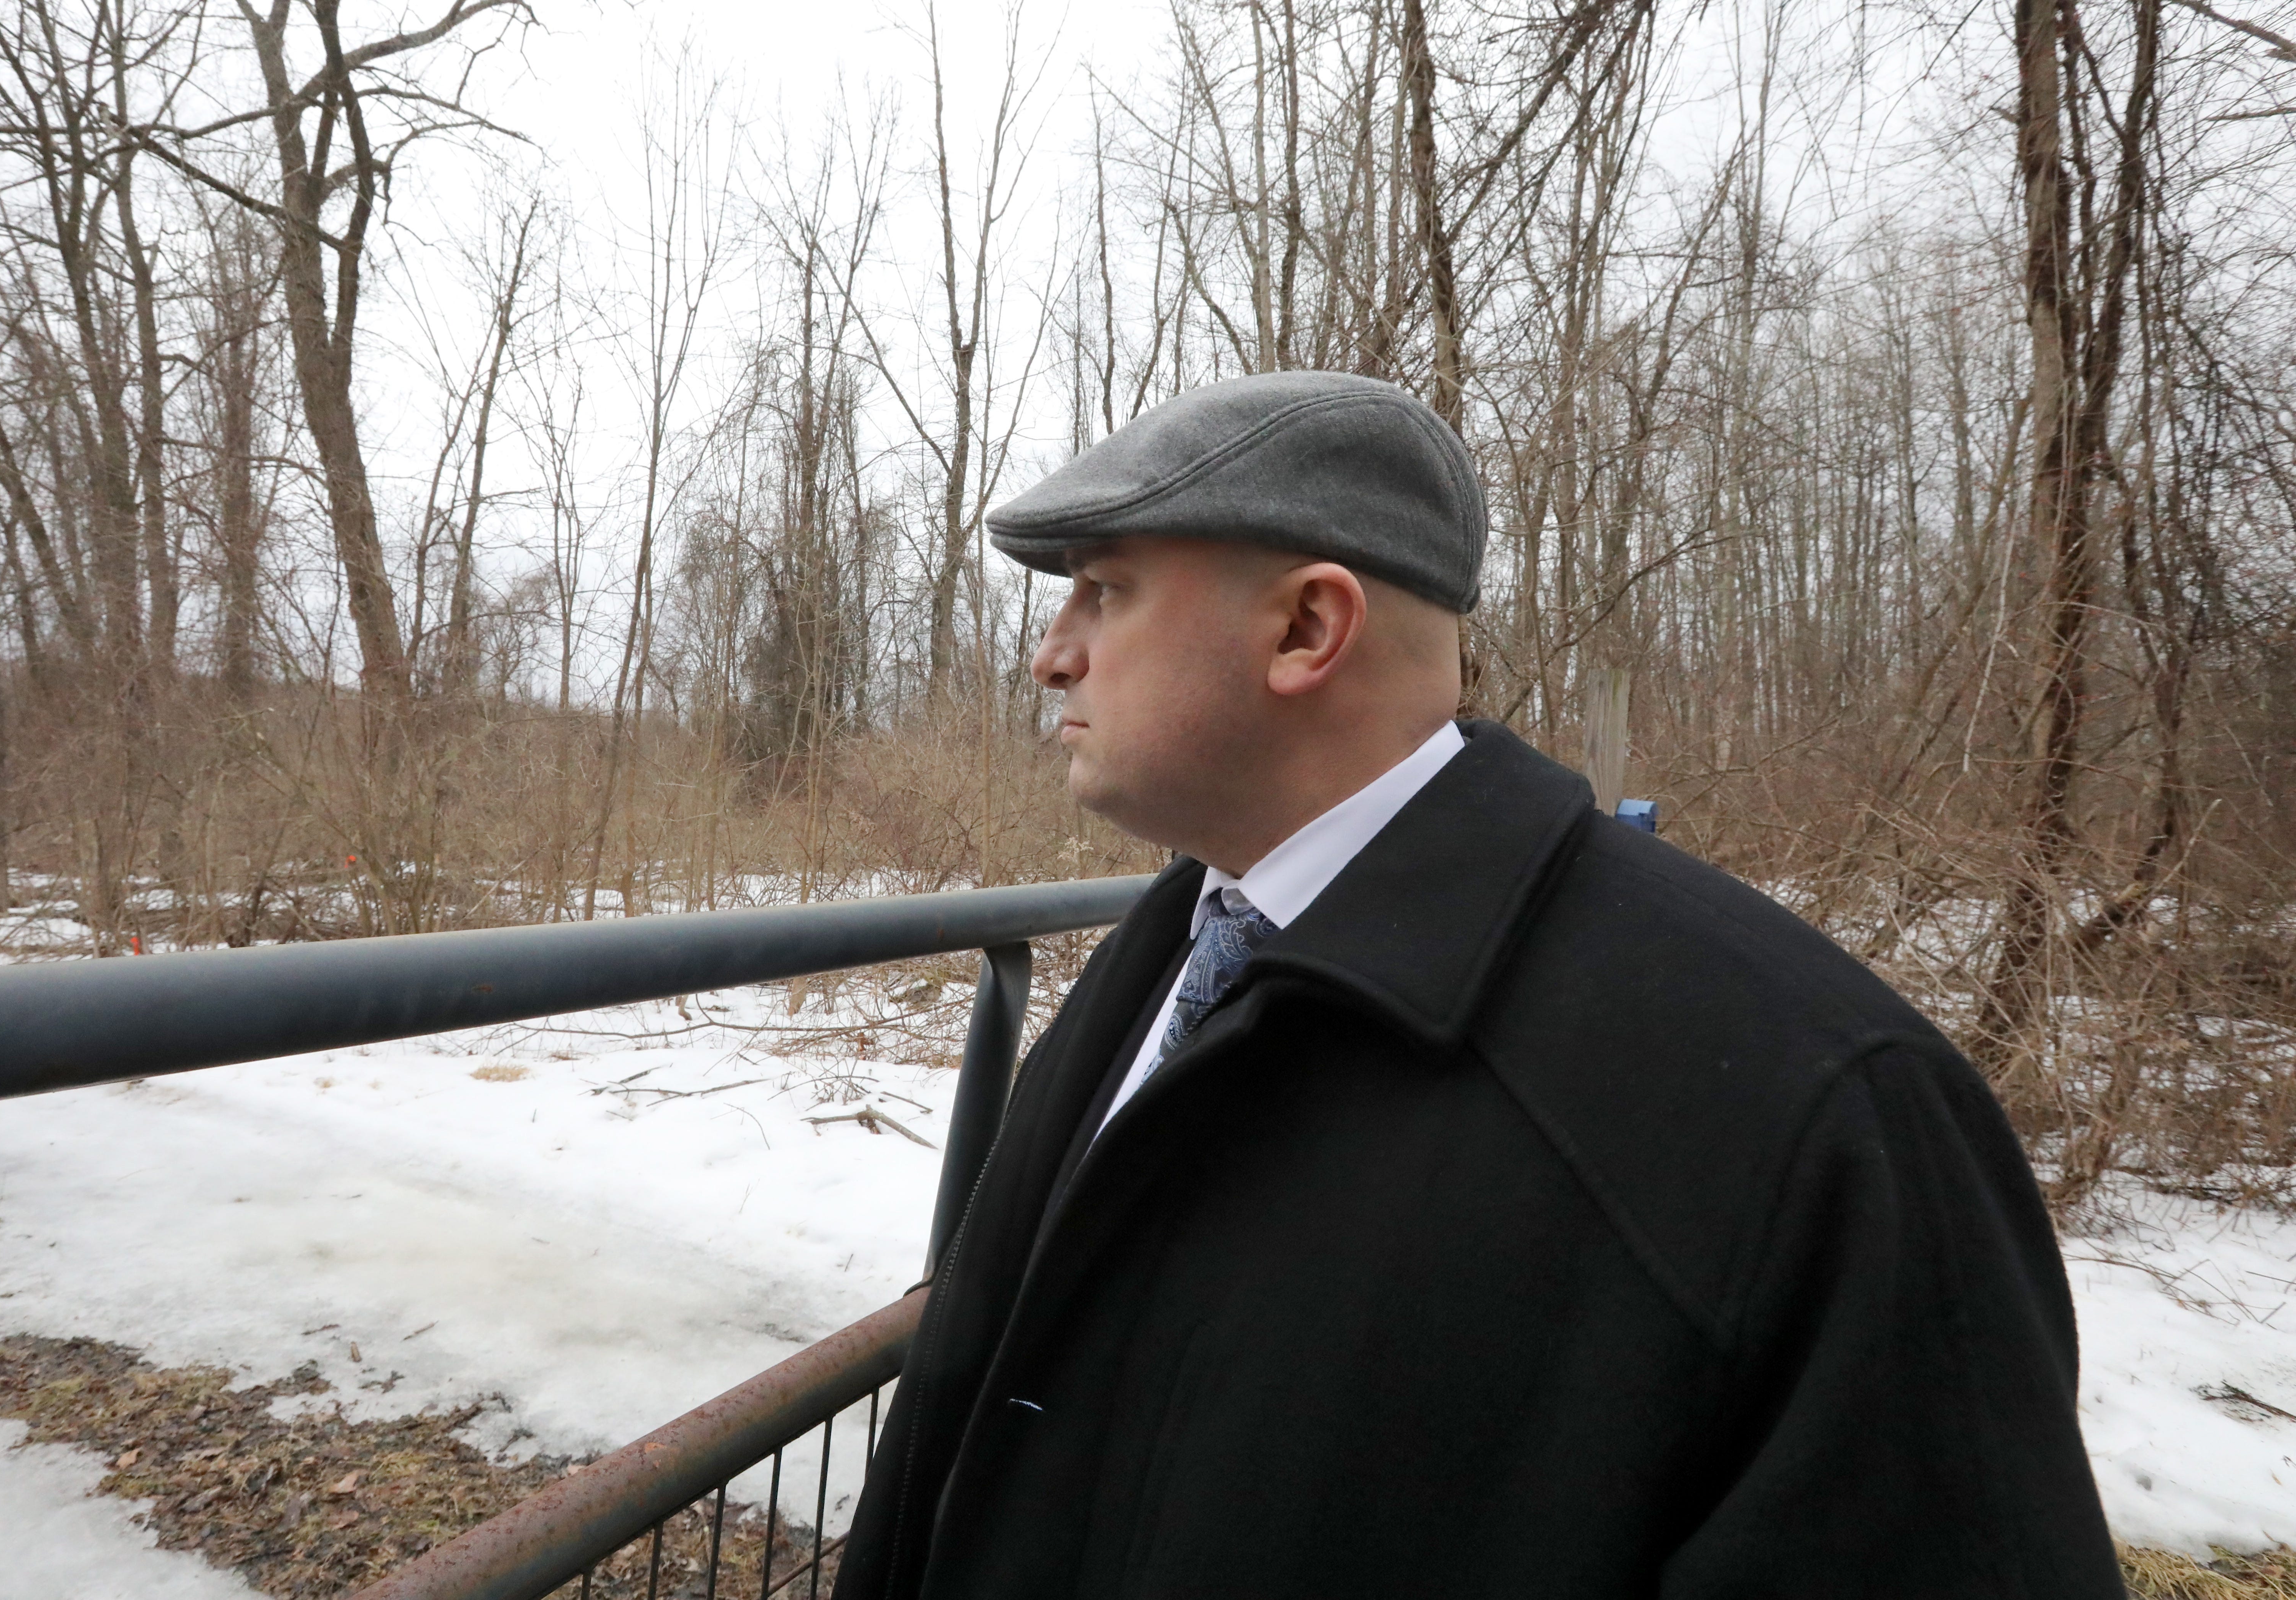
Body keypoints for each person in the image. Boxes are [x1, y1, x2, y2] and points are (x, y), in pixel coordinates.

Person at [830, 370, 2124, 1600]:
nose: (1053, 656)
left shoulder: (1820, 1109)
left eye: (1104, 593)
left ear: (1306, 627)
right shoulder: (1181, 936)